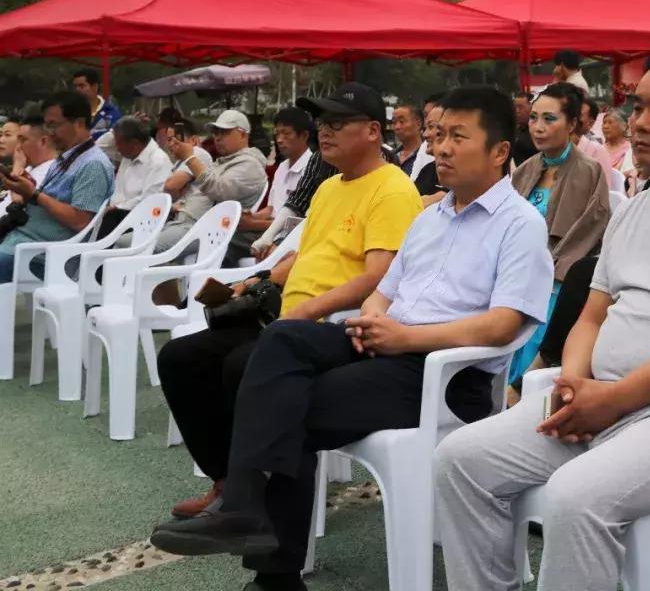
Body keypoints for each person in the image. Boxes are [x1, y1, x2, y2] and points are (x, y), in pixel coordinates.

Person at [149, 86, 552, 591]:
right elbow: (383, 290)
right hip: (385, 345)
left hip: (445, 375)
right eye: (440, 135)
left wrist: (404, 337)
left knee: (291, 405)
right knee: (283, 338)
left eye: (458, 137)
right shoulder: (431, 218)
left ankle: (274, 572)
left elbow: (504, 325)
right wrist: (374, 319)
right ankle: (246, 506)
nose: (442, 148)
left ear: (498, 152)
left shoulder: (520, 224)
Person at [434, 47, 650, 591]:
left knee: (576, 494)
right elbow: (591, 316)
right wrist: (575, 384)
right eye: (638, 107)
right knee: (460, 460)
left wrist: (613, 400)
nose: (641, 122)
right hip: (605, 402)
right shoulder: (635, 209)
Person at [158, 82, 423, 522]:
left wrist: (306, 312)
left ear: (374, 131)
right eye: (322, 123)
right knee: (180, 358)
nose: (325, 131)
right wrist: (258, 280)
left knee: (239, 363)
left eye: (337, 123)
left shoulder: (392, 189)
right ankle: (227, 480)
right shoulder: (330, 187)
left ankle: (256, 495)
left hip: (333, 329)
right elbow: (307, 254)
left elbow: (379, 276)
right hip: (288, 320)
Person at [508, 82, 611, 384]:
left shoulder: (588, 171)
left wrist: (544, 271)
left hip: (557, 279)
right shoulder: (525, 170)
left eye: (549, 119)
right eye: (534, 118)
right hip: (515, 272)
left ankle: (522, 387)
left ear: (572, 124)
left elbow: (586, 235)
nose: (538, 127)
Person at [0, 92, 114, 282]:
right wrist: (25, 189)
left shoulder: (93, 164)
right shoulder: (66, 158)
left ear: (79, 123)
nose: (50, 132)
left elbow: (80, 221)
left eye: (54, 125)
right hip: (22, 243)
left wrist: (34, 195)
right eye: (47, 126)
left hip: (45, 257)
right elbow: (48, 201)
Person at [122, 109, 266, 259]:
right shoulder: (225, 161)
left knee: (127, 244)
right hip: (191, 224)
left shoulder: (250, 164)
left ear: (243, 135)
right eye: (215, 133)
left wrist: (189, 158)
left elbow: (219, 189)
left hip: (207, 230)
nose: (217, 137)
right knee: (124, 242)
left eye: (224, 132)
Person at [236, 108, 314, 247]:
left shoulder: (313, 170)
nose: (279, 140)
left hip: (288, 239)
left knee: (230, 243)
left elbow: (298, 223)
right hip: (268, 231)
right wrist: (252, 216)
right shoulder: (282, 167)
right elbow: (271, 208)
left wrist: (255, 224)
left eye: (286, 134)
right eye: (277, 134)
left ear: (304, 135)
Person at [97, 117, 172, 237]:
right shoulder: (128, 152)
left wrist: (117, 208)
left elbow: (150, 200)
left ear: (134, 143)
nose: (116, 147)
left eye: (118, 143)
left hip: (139, 220)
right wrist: (117, 129)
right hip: (114, 216)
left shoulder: (158, 160)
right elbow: (99, 147)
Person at [0, 114, 56, 218]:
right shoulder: (30, 168)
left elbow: (18, 203)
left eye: (23, 140)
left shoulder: (51, 171)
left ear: (43, 141)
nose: (18, 146)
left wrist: (17, 167)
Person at [72, 68, 122, 142]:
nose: (77, 90)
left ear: (95, 86)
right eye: (75, 86)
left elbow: (116, 138)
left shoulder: (111, 112)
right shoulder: (69, 112)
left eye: (81, 86)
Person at [413, 102, 448, 206]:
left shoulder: (470, 175)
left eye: (431, 127)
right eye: (426, 128)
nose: (425, 134)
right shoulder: (428, 170)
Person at [391, 103, 430, 179]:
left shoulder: (429, 156)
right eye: (394, 122)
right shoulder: (390, 156)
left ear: (418, 124)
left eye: (402, 121)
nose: (397, 127)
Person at [511, 90, 538, 166]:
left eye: (520, 107)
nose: (517, 111)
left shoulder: (539, 130)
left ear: (531, 107)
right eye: (515, 107)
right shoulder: (513, 130)